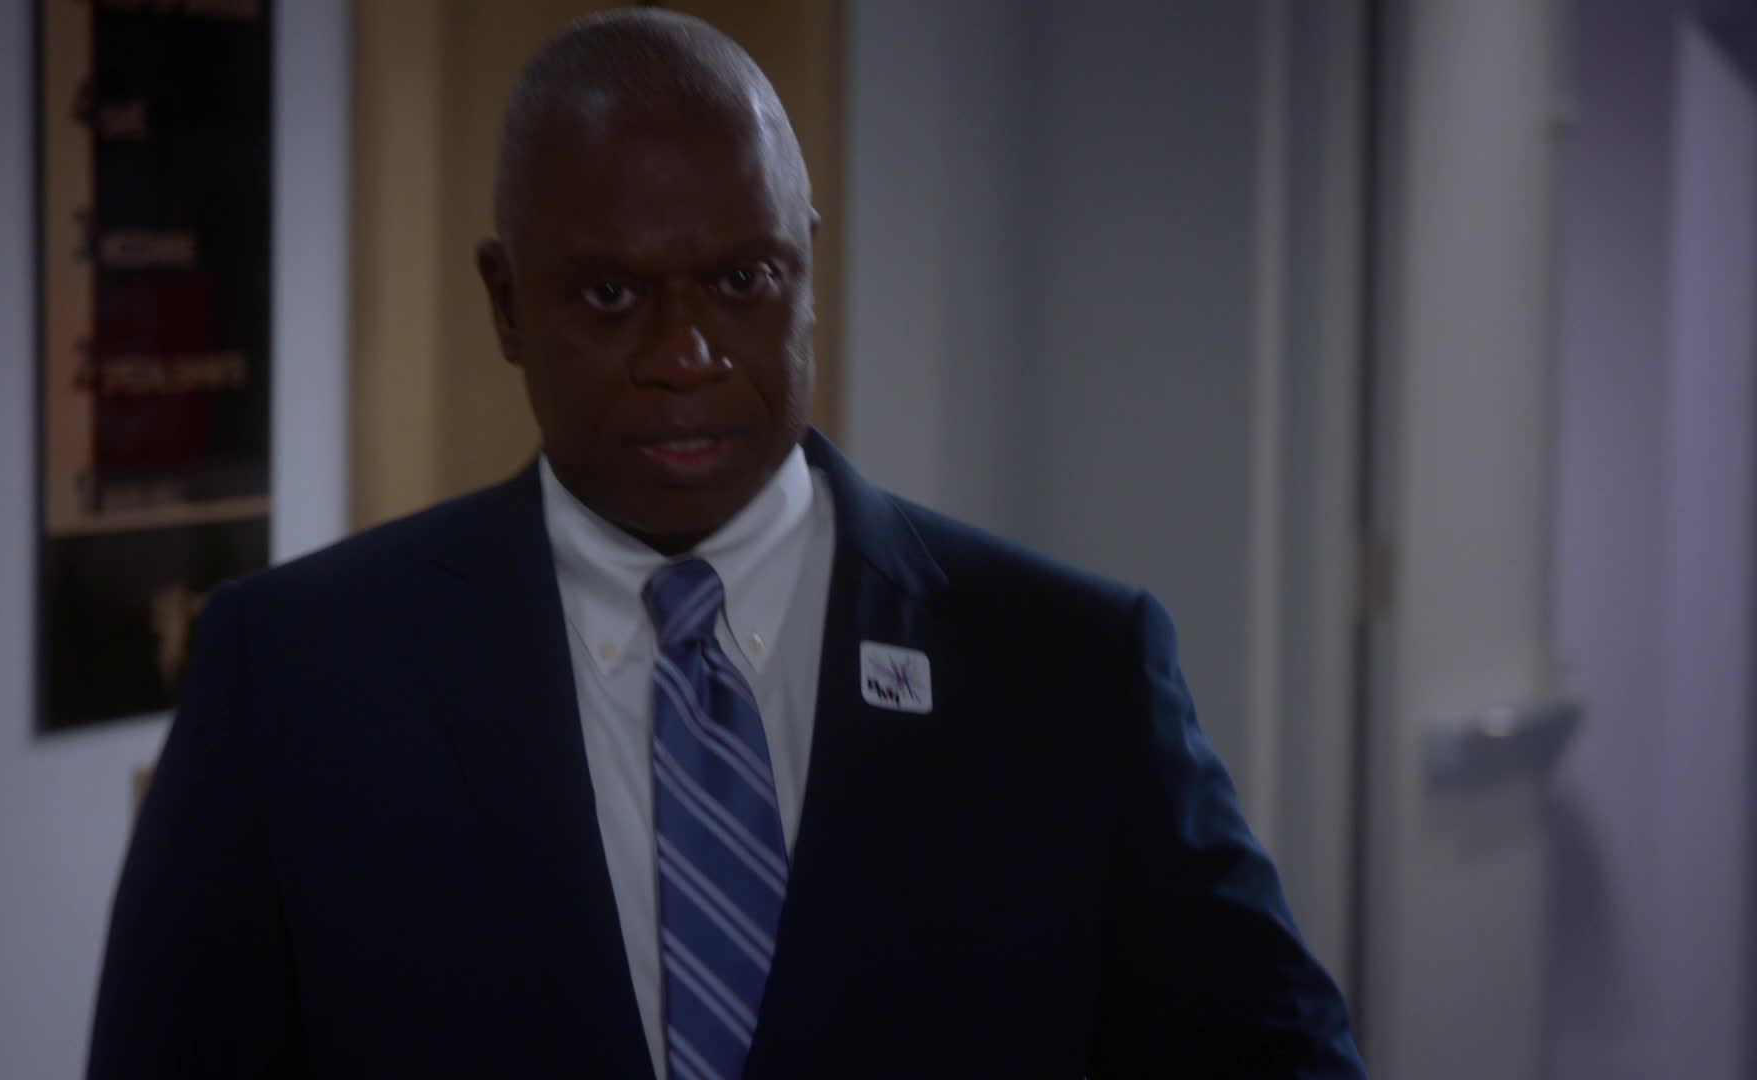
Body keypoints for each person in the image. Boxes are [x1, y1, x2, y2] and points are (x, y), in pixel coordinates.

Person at [88, 9, 1366, 1079]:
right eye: (611, 295)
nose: (686, 355)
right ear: (506, 302)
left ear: (807, 268)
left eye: (745, 281)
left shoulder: (1069, 672)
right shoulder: (298, 679)